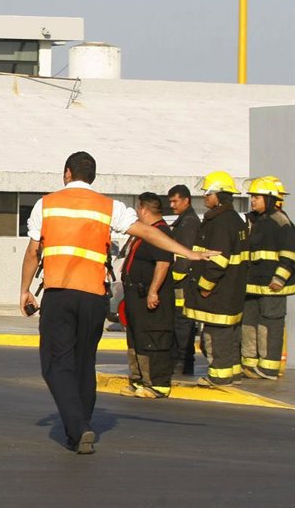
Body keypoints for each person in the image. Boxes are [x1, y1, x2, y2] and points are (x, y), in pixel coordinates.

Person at [19, 152, 209, 455]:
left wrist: (25, 290)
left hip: (59, 294)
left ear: (67, 173)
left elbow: (33, 252)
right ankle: (79, 429)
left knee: (56, 364)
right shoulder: (109, 207)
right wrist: (189, 253)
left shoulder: (47, 204)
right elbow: (149, 232)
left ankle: (78, 427)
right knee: (84, 363)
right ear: (92, 176)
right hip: (94, 297)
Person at [183, 171, 248, 388]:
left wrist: (205, 285)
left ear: (219, 196)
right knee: (230, 334)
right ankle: (232, 373)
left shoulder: (219, 223)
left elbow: (218, 260)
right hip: (232, 290)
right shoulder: (235, 220)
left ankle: (219, 377)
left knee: (216, 334)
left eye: (208, 194)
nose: (205, 197)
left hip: (218, 292)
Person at [121, 193, 176, 398]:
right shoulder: (145, 232)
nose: (136, 212)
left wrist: (153, 291)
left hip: (149, 296)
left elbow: (163, 263)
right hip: (135, 295)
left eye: (138, 208)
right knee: (136, 337)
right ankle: (138, 380)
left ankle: (157, 384)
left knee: (153, 337)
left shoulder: (160, 233)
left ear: (144, 209)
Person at [241, 176, 293, 380]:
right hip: (253, 284)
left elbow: (290, 254)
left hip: (273, 286)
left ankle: (269, 368)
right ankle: (250, 363)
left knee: (270, 325)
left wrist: (279, 278)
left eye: (257, 197)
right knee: (249, 323)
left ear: (269, 199)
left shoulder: (280, 222)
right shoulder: (254, 221)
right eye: (252, 197)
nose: (252, 200)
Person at [166, 184, 201, 375]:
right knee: (178, 322)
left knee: (182, 323)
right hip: (180, 281)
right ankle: (180, 361)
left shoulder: (189, 223)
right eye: (170, 201)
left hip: (182, 283)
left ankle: (183, 361)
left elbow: (184, 256)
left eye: (175, 201)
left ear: (186, 200)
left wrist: (172, 279)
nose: (172, 205)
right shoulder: (183, 221)